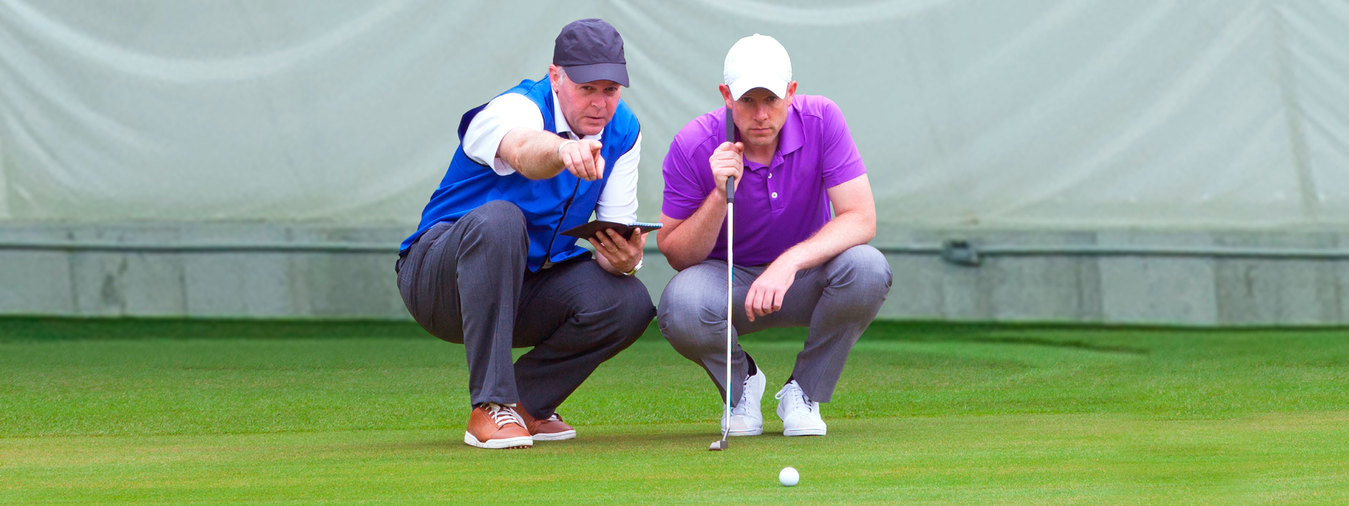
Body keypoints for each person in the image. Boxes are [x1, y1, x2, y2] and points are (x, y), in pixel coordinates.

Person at [396, 18, 655, 450]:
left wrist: (625, 258)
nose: (600, 103)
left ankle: (525, 405)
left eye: (610, 89)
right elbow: (522, 151)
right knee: (501, 218)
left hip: (523, 281)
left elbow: (613, 233)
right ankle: (491, 406)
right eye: (586, 88)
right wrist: (561, 149)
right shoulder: (513, 108)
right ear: (556, 77)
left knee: (628, 301)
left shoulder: (624, 132)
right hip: (436, 279)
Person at [656, 34, 892, 437]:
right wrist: (718, 193)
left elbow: (861, 219)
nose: (761, 114)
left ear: (792, 92)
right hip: (727, 282)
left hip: (802, 278)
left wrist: (788, 262)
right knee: (680, 304)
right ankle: (742, 384)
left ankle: (804, 391)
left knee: (868, 267)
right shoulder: (693, 142)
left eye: (772, 99)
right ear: (727, 96)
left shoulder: (823, 119)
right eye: (748, 100)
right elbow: (676, 254)